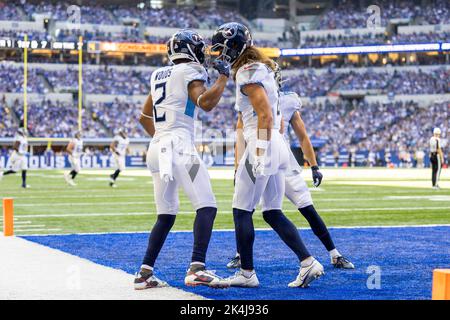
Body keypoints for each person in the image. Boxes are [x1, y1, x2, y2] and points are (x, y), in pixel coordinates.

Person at [212, 22, 323, 288]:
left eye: (222, 48)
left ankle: (247, 273)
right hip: (275, 144)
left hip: (263, 142)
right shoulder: (256, 68)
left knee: (241, 210)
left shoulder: (247, 71)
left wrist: (258, 154)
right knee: (272, 212)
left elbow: (263, 115)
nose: (219, 54)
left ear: (234, 46)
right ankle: (308, 262)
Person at [227, 64, 354, 271]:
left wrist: (314, 165)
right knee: (256, 209)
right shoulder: (253, 95)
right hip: (271, 153)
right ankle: (242, 255)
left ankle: (333, 254)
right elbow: (240, 133)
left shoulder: (281, 98)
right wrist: (238, 165)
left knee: (297, 207)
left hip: (274, 157)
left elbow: (301, 135)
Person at [134, 29, 231, 289]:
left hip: (157, 147)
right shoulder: (190, 71)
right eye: (198, 48)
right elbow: (205, 103)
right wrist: (223, 78)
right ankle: (197, 268)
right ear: (189, 49)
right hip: (178, 144)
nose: (201, 53)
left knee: (165, 215)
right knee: (207, 205)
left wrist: (163, 138)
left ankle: (144, 274)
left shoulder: (158, 74)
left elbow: (144, 118)